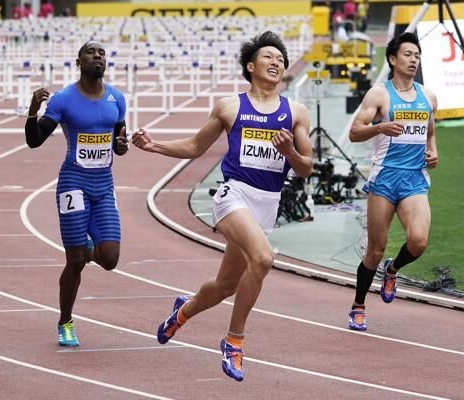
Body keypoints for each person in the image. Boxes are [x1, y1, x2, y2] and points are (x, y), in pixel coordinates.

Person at [132, 31, 313, 381]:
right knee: (263, 259)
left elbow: (306, 167)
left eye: (281, 59)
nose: (276, 62)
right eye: (268, 57)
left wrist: (289, 152)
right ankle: (234, 342)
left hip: (267, 204)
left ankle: (182, 312)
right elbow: (195, 147)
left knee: (225, 286)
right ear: (250, 66)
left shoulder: (296, 112)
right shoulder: (229, 106)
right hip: (234, 196)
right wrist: (155, 146)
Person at [24, 41, 129, 346]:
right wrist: (33, 111)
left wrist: (121, 146)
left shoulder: (116, 98)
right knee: (75, 261)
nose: (97, 57)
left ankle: (87, 247)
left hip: (104, 186)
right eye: (91, 53)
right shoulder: (64, 99)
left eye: (102, 53)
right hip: (73, 183)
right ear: (79, 62)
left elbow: (119, 142)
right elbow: (34, 141)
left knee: (110, 259)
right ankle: (65, 321)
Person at [346, 32, 438, 331]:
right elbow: (354, 132)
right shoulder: (379, 95)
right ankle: (358, 306)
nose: (414, 60)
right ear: (393, 59)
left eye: (417, 55)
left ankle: (393, 269)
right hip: (385, 178)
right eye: (408, 54)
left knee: (418, 241)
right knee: (375, 250)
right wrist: (380, 128)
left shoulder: (428, 96)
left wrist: (433, 151)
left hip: (414, 179)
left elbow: (430, 130)